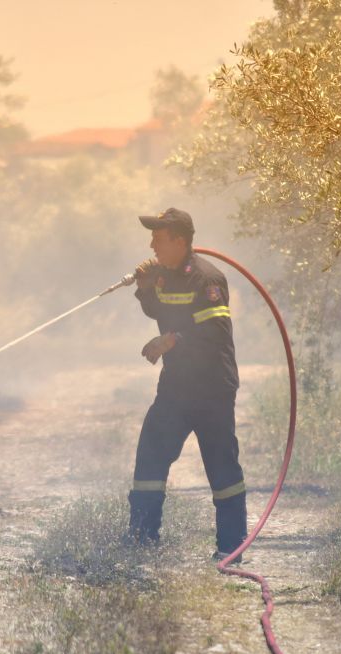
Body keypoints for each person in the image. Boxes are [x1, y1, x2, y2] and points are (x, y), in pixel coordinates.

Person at [127, 207, 247, 562]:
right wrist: (146, 289)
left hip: (212, 389)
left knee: (222, 468)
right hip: (176, 388)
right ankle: (142, 541)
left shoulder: (207, 280)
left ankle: (231, 550)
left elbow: (214, 332)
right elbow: (160, 311)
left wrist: (171, 341)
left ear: (180, 241)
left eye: (159, 238)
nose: (152, 245)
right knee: (150, 454)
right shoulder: (164, 277)